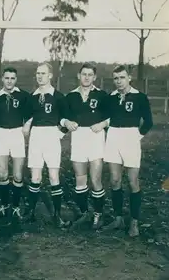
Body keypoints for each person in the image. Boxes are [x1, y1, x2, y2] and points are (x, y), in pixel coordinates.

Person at [102, 65, 153, 237]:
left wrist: (136, 137)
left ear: (129, 78)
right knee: (115, 180)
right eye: (115, 78)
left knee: (132, 181)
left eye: (122, 77)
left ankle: (134, 222)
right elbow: (105, 120)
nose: (118, 81)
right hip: (114, 137)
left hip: (131, 137)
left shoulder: (140, 97)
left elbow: (148, 122)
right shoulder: (111, 98)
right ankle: (118, 218)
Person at [61, 63, 109, 229]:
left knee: (95, 179)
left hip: (95, 137)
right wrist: (66, 122)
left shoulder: (102, 95)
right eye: (84, 74)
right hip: (78, 137)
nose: (87, 77)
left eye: (90, 74)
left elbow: (113, 116)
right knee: (80, 180)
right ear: (78, 76)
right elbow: (62, 117)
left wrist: (102, 124)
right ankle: (84, 212)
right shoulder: (71, 96)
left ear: (94, 77)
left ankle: (98, 214)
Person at [23, 62, 68, 227]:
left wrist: (59, 134)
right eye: (37, 73)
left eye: (43, 73)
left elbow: (67, 119)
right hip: (36, 136)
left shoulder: (58, 96)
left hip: (51, 136)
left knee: (53, 177)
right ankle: (30, 213)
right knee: (35, 177)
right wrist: (27, 125)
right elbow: (28, 116)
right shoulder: (32, 97)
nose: (39, 76)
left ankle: (57, 216)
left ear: (50, 75)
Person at [0, 67, 31, 222]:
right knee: (3, 173)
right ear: (2, 79)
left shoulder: (23, 96)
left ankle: (16, 207)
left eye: (12, 78)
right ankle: (4, 206)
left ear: (15, 80)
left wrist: (27, 125)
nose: (9, 81)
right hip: (1, 135)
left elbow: (32, 113)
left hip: (17, 134)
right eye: (7, 78)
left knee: (17, 174)